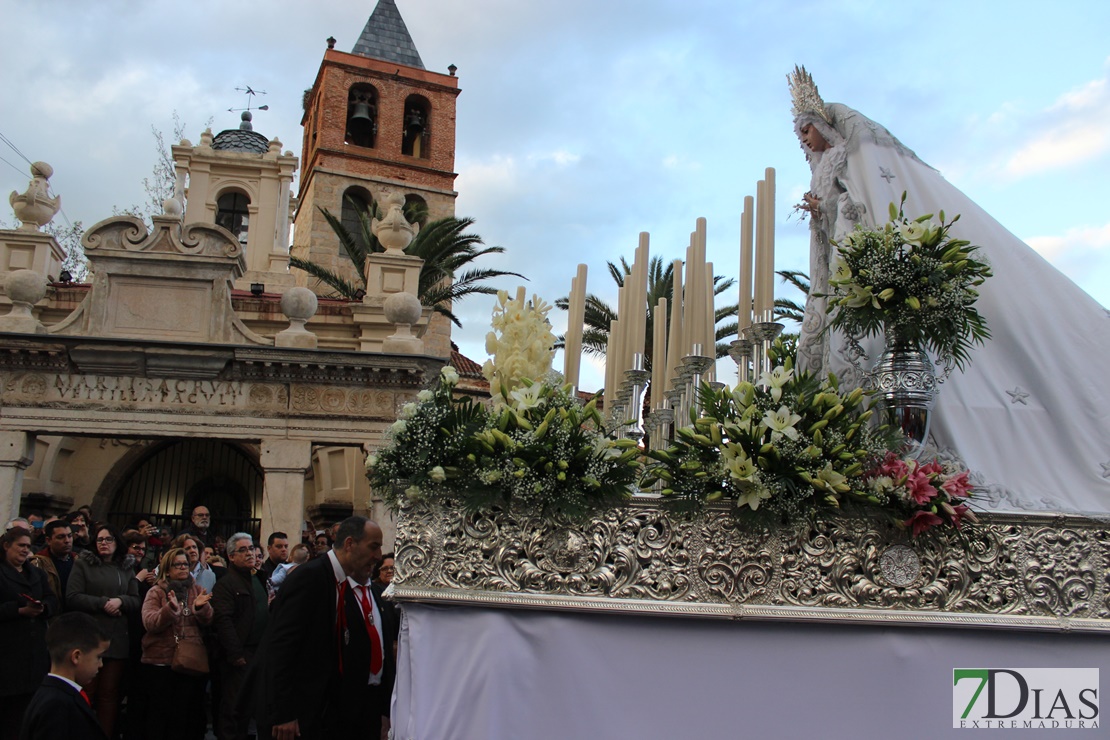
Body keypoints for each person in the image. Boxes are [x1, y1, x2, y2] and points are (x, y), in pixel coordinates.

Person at [787, 67, 1110, 515]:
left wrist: (837, 208)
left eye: (807, 128)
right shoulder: (820, 167)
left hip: (859, 265)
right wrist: (820, 214)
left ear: (823, 126)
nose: (803, 138)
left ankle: (890, 454)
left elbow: (860, 204)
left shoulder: (845, 157)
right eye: (799, 133)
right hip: (840, 270)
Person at [250, 516, 396, 740]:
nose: (377, 556)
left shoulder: (338, 581)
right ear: (349, 544)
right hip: (299, 716)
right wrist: (284, 712)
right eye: (373, 547)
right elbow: (281, 647)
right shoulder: (310, 578)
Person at [65, 524, 141, 738]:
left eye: (108, 540)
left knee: (109, 694)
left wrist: (120, 601)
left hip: (116, 638)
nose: (104, 544)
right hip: (90, 637)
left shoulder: (126, 567)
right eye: (100, 540)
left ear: (117, 543)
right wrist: (103, 603)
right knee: (87, 691)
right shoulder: (83, 565)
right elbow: (72, 596)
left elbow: (136, 599)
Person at [139, 548, 213, 740]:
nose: (182, 568)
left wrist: (200, 608)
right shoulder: (156, 591)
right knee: (160, 715)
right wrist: (169, 610)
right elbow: (149, 622)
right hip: (161, 662)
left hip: (189, 661)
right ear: (167, 568)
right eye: (177, 564)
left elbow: (209, 619)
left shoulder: (196, 589)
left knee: (185, 715)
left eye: (185, 564)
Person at [1, 528, 59, 740]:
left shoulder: (36, 573)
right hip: (7, 652)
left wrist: (43, 607)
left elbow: (52, 599)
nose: (26, 550)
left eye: (28, 546)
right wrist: (18, 611)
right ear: (7, 546)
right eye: (21, 545)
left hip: (33, 654)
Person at [211, 533, 269, 740]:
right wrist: (236, 655)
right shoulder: (226, 584)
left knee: (252, 709)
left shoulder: (259, 578)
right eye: (243, 550)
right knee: (234, 710)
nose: (250, 553)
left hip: (259, 653)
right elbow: (223, 621)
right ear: (231, 556)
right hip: (240, 656)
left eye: (251, 549)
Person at [19, 612, 111, 740]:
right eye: (98, 657)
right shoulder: (55, 706)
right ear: (76, 656)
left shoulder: (56, 696)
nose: (101, 664)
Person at [31, 520, 74, 610]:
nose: (67, 541)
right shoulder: (38, 563)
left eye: (70, 536)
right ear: (48, 540)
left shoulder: (78, 560)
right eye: (61, 537)